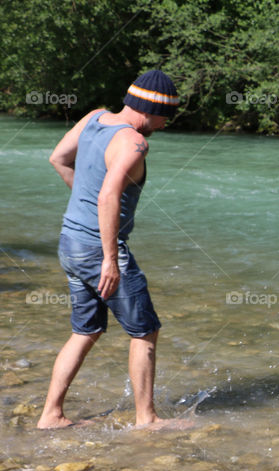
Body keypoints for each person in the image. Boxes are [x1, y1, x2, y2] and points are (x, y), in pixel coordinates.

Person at [36, 70, 183, 430]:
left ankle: (51, 414)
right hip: (97, 250)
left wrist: (83, 209)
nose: (165, 125)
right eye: (167, 115)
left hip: (69, 240)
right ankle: (146, 419)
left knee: (86, 330)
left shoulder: (93, 118)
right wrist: (110, 258)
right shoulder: (134, 142)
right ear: (151, 109)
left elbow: (58, 158)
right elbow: (108, 195)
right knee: (144, 330)